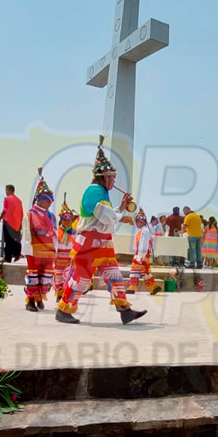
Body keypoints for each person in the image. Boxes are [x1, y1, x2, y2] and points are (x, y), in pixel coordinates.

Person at [56, 139, 147, 325]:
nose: (114, 180)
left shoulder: (101, 193)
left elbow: (106, 219)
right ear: (104, 177)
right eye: (112, 177)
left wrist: (121, 208)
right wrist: (121, 216)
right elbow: (103, 214)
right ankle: (63, 309)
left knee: (113, 274)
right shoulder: (93, 191)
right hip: (89, 243)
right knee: (81, 277)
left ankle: (124, 309)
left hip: (103, 243)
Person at [20, 170, 57, 312]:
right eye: (46, 199)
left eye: (50, 200)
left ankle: (40, 298)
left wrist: (56, 250)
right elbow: (26, 234)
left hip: (48, 252)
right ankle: (30, 301)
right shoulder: (30, 215)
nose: (48, 203)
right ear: (38, 199)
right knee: (33, 275)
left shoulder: (51, 216)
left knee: (46, 276)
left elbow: (55, 234)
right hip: (35, 250)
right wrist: (26, 249)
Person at [127, 209, 161, 295]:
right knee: (144, 271)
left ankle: (132, 288)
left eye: (137, 222)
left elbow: (143, 245)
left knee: (135, 270)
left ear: (142, 222)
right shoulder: (145, 231)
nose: (136, 224)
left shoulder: (144, 232)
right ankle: (154, 287)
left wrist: (140, 256)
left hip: (141, 254)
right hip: (144, 254)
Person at [54, 194, 77, 302]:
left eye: (69, 219)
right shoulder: (56, 232)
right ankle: (59, 295)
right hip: (58, 260)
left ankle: (65, 296)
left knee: (68, 278)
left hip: (69, 260)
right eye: (65, 219)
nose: (67, 221)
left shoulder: (75, 233)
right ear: (61, 220)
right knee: (58, 278)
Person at [0, 184, 24, 263]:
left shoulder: (8, 199)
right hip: (17, 223)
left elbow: (5, 211)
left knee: (8, 241)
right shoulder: (19, 200)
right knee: (15, 239)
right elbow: (21, 212)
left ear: (8, 190)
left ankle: (8, 258)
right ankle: (17, 253)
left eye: (6, 190)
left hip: (8, 222)